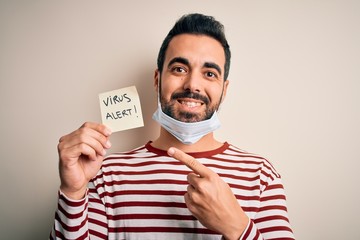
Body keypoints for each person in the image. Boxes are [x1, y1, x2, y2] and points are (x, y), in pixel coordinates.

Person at [50, 13, 294, 240]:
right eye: (179, 69)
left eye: (209, 74)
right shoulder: (105, 175)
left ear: (224, 89)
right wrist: (72, 192)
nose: (192, 85)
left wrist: (237, 226)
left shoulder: (261, 176)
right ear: (158, 80)